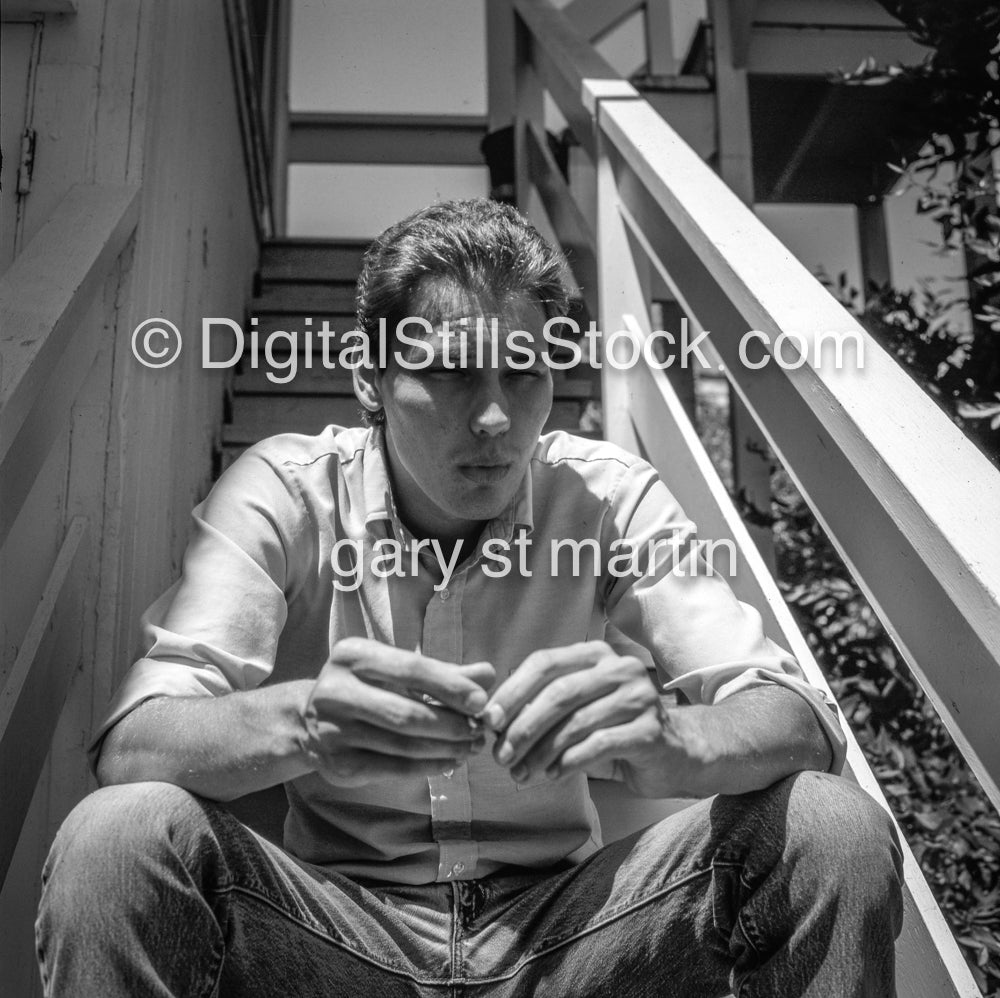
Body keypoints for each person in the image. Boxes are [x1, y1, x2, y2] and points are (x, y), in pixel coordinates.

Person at [36, 198, 902, 997]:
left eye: (523, 373)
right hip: (332, 932)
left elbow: (795, 720)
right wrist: (302, 721)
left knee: (829, 825)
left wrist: (682, 740)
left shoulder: (606, 497)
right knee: (121, 835)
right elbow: (134, 747)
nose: (494, 419)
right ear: (369, 379)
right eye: (452, 372)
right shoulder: (284, 493)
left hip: (575, 932)